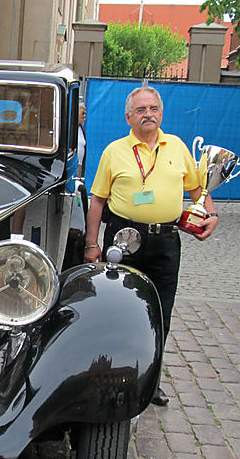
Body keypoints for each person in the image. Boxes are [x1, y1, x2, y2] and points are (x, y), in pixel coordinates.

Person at [83, 85, 218, 406]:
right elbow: (98, 201)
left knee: (160, 314)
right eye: (141, 110)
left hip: (166, 242)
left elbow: (198, 189)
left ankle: (149, 383)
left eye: (153, 108)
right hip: (123, 240)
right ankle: (113, 380)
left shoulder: (178, 147)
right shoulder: (115, 151)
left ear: (161, 113)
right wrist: (91, 244)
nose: (148, 114)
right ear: (128, 116)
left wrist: (210, 212)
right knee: (118, 310)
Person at [76, 102, 87, 179]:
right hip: (73, 165)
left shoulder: (81, 130)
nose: (84, 116)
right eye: (82, 113)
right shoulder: (70, 129)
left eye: (85, 114)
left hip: (79, 165)